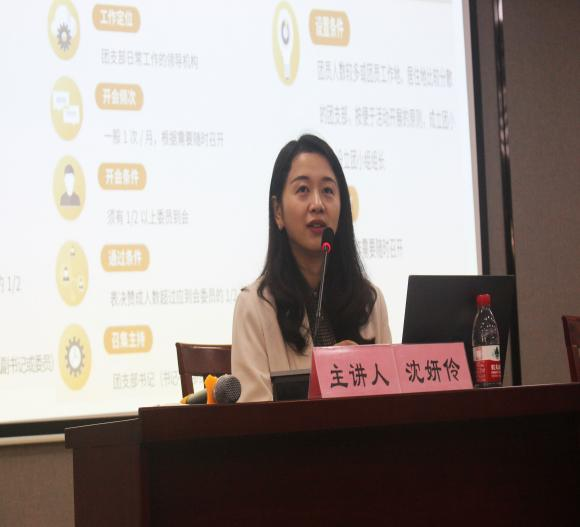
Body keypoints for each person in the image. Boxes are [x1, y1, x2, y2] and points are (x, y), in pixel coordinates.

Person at [231, 134, 391, 402]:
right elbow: (254, 417)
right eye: (303, 189)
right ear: (278, 211)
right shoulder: (254, 307)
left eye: (328, 190)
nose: (317, 204)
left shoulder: (370, 301)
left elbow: (391, 405)